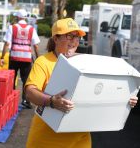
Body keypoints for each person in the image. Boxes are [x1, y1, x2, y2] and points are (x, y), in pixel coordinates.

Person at [24, 18, 138, 148]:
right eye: (70, 36)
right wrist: (51, 101)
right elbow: (30, 92)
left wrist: (125, 98)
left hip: (80, 136)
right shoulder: (43, 62)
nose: (74, 41)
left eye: (77, 37)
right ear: (56, 38)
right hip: (47, 138)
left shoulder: (85, 62)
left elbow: (102, 89)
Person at [0, 9, 40, 109]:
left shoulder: (12, 27)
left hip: (14, 57)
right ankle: (26, 101)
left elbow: (7, 44)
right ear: (25, 17)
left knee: (11, 79)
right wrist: (38, 58)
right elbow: (35, 46)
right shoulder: (31, 29)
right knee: (26, 80)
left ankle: (10, 99)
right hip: (26, 58)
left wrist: (2, 56)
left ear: (17, 17)